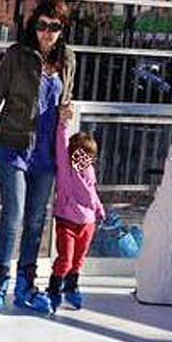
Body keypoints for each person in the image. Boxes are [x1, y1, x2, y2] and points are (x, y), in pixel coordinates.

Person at [0, 0, 76, 313]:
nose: (47, 33)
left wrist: (67, 110)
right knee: (13, 214)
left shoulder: (68, 60)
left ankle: (27, 284)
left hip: (46, 152)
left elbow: (65, 100)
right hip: (13, 145)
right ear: (32, 26)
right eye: (42, 25)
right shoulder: (17, 55)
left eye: (54, 27)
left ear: (61, 29)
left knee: (37, 220)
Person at [46, 104, 104, 312]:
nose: (85, 160)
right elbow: (61, 145)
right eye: (82, 155)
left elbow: (92, 192)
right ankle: (53, 289)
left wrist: (99, 209)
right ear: (73, 155)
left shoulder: (89, 171)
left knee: (78, 261)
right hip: (67, 221)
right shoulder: (66, 168)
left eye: (89, 156)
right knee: (65, 260)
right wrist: (63, 123)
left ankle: (72, 287)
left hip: (87, 223)